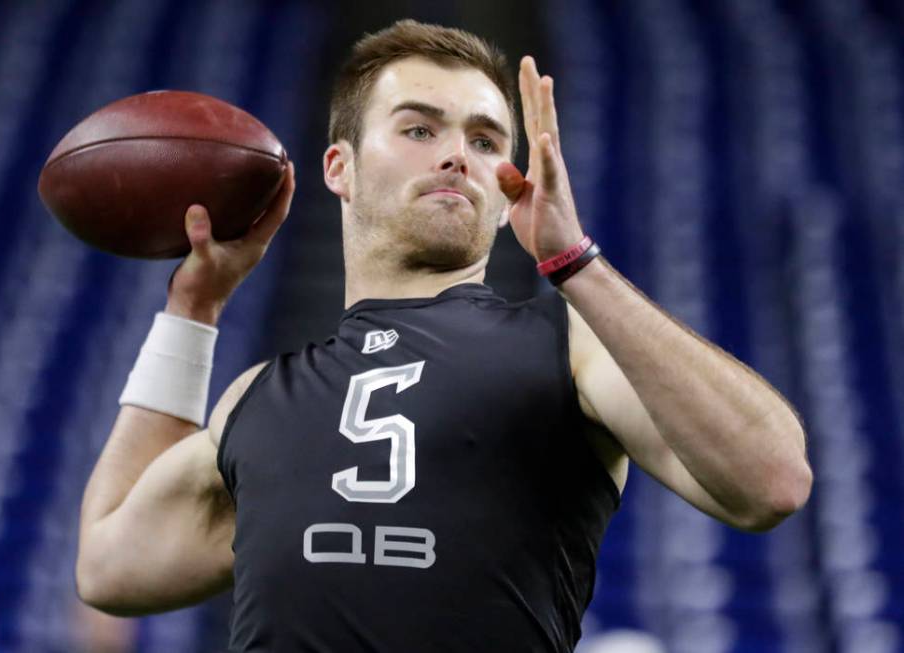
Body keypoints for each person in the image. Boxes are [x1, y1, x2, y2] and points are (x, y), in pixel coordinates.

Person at [74, 19, 812, 652]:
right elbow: (109, 566)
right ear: (341, 167)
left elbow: (772, 479)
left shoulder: (569, 346)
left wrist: (575, 260)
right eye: (420, 128)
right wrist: (192, 311)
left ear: (505, 187)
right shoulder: (257, 399)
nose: (459, 154)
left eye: (487, 139)